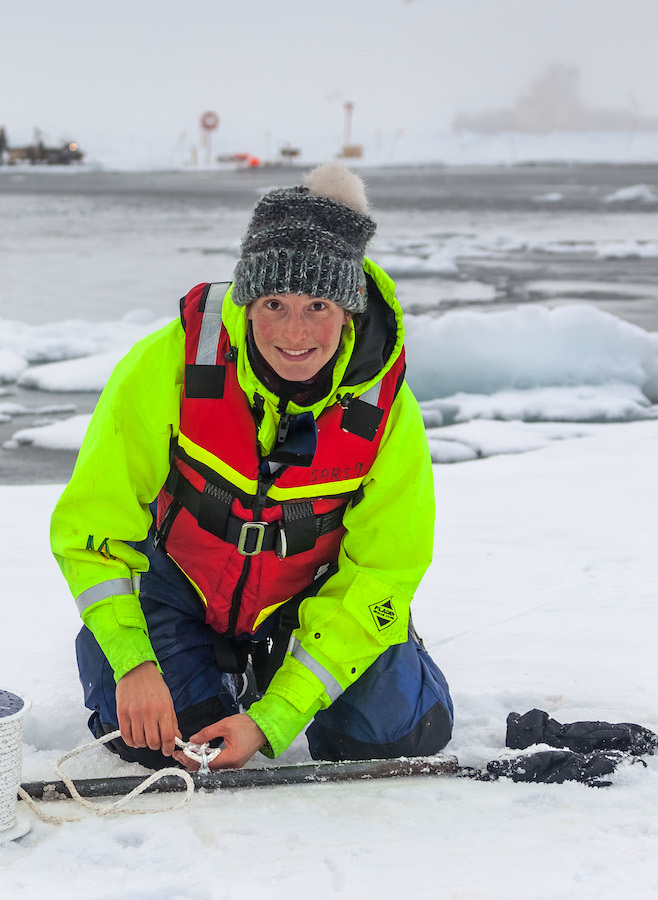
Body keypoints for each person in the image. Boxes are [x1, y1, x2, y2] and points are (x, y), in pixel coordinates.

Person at [50, 163, 452, 772]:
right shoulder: (168, 364)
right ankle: (200, 672)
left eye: (318, 304)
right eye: (274, 303)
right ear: (247, 300)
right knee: (155, 741)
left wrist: (276, 718)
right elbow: (92, 531)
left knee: (391, 735)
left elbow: (384, 569)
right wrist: (133, 663)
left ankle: (323, 670)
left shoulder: (385, 408)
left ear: (346, 309)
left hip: (309, 603)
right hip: (182, 592)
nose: (295, 331)